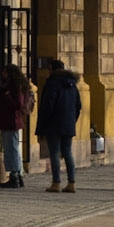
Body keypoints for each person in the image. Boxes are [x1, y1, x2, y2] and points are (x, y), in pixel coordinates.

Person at [0, 62, 33, 189]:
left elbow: (17, 104)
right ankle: (17, 175)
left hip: (12, 121)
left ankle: (14, 176)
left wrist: (7, 96)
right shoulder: (6, 84)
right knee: (12, 148)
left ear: (10, 73)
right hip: (9, 121)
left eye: (4, 72)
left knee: (12, 149)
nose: (2, 74)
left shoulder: (15, 86)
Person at [35, 59, 82, 193]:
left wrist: (44, 122)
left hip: (53, 123)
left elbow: (48, 104)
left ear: (52, 69)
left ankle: (56, 183)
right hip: (68, 123)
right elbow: (78, 105)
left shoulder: (52, 83)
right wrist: (72, 120)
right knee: (67, 152)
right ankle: (71, 182)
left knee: (54, 152)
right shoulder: (73, 84)